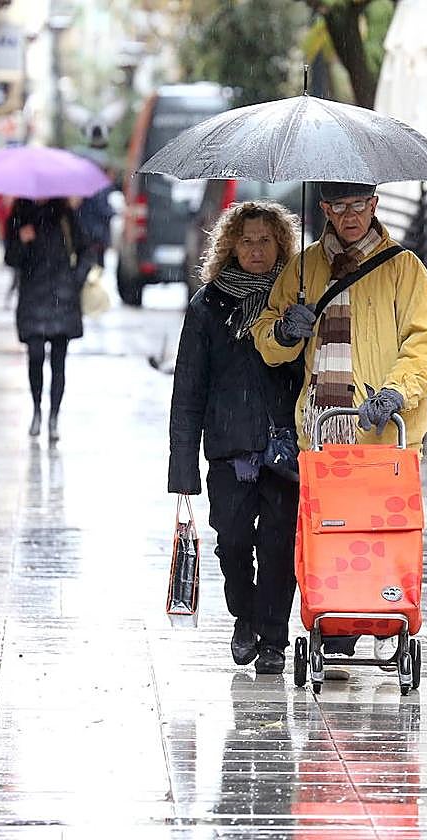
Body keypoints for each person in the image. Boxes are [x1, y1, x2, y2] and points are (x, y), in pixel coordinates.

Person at [251, 182, 427, 668]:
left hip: (383, 435)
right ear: (324, 209)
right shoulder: (303, 268)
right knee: (329, 534)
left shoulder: (404, 269)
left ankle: (377, 613)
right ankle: (337, 621)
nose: (351, 215)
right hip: (320, 430)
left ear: (375, 205)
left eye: (360, 204)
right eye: (340, 206)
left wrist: (396, 392)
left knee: (380, 534)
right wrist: (283, 330)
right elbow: (268, 341)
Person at [168, 201, 305, 675]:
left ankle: (274, 640)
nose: (256, 250)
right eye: (246, 240)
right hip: (228, 448)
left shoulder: (296, 300)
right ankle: (243, 616)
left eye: (265, 240)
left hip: (285, 446)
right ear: (231, 245)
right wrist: (182, 467)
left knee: (278, 546)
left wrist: (295, 330)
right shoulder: (208, 304)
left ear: (281, 244)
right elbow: (188, 387)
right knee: (231, 542)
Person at [4, 197, 87, 443]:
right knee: (36, 355)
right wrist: (22, 240)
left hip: (63, 297)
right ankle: (37, 410)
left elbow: (86, 252)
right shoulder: (19, 213)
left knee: (59, 362)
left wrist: (74, 282)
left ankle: (53, 417)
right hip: (33, 296)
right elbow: (10, 258)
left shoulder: (65, 214)